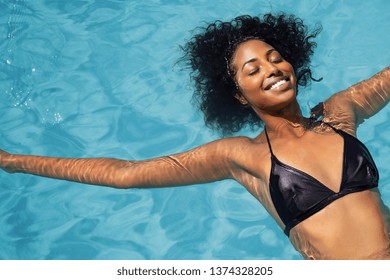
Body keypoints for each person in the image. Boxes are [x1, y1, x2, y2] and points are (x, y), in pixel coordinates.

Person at [1, 13, 389, 260]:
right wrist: (11, 162)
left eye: (275, 58)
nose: (271, 69)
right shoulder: (242, 156)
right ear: (238, 94)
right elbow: (125, 173)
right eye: (252, 70)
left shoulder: (339, 115)